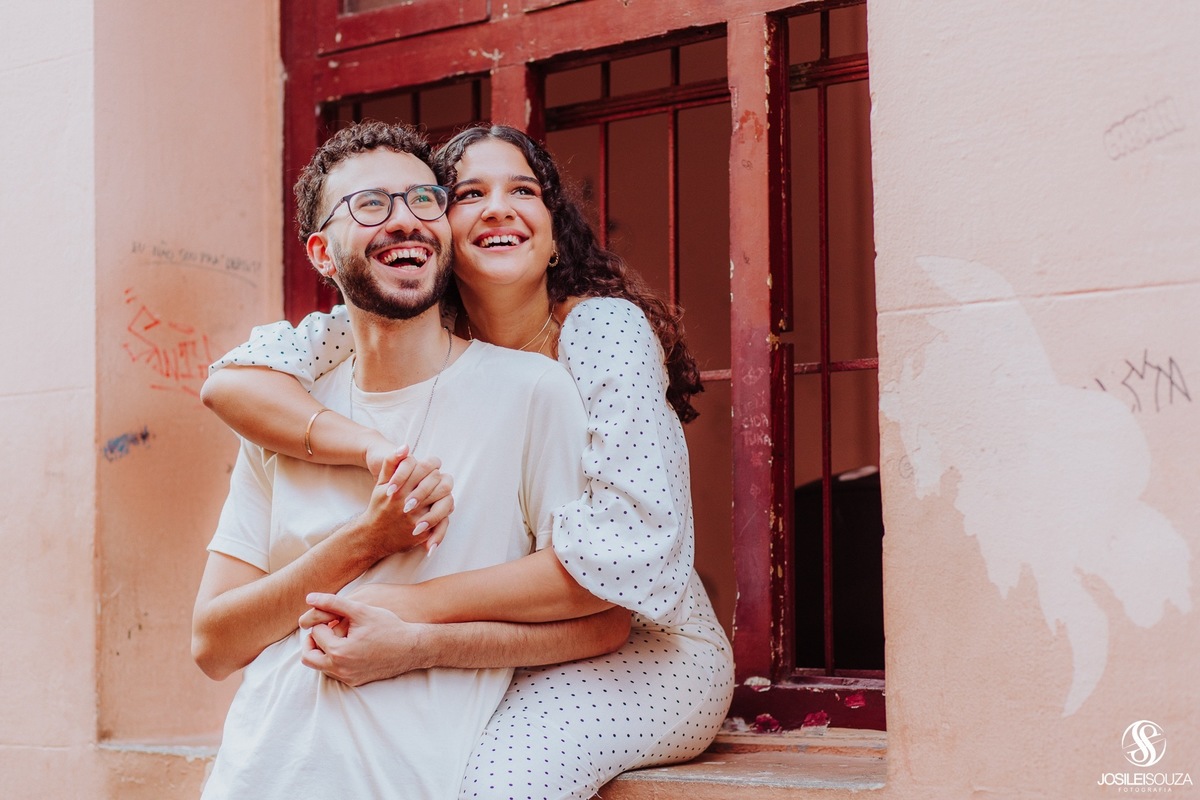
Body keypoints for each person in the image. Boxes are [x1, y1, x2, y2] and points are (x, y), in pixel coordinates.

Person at [202, 123, 735, 800]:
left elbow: (611, 579)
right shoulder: (411, 317)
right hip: (507, 643)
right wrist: (365, 452)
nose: (498, 207)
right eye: (468, 193)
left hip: (649, 648)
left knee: (496, 784)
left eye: (524, 190)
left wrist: (402, 609)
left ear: (552, 233)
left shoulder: (600, 331)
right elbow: (232, 381)